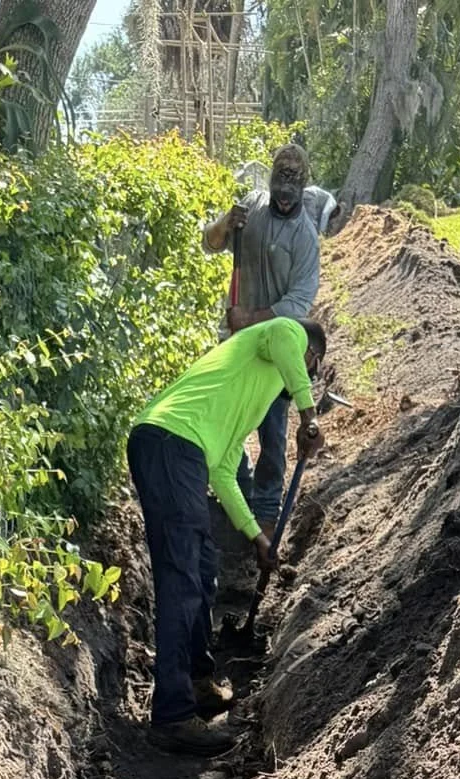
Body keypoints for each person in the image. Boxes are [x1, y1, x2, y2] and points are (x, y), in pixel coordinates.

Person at [127, 316, 327, 758]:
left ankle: (197, 681)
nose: (305, 377)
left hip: (183, 451)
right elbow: (283, 336)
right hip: (170, 443)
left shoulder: (245, 403)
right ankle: (172, 716)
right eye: (311, 370)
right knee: (181, 580)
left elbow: (224, 472)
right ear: (309, 357)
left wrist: (258, 538)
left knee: (200, 570)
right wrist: (309, 415)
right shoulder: (284, 334)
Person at [202, 144, 321, 541]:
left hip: (274, 353)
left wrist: (250, 318)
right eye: (280, 176)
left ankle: (266, 515)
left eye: (294, 179)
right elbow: (210, 243)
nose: (285, 187)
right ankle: (237, 497)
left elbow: (297, 303)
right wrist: (224, 223)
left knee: (273, 438)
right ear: (269, 176)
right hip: (235, 346)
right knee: (229, 426)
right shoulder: (249, 208)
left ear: (304, 184)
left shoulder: (305, 237)